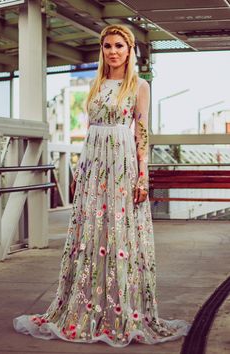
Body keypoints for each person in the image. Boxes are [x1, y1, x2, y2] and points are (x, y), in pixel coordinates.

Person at [13, 24, 191, 347]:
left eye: (119, 46)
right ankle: (87, 306)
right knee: (93, 234)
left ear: (130, 50)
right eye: (107, 46)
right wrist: (82, 168)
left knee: (121, 232)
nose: (112, 52)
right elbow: (91, 131)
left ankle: (123, 310)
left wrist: (142, 176)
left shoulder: (139, 86)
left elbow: (141, 135)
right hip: (95, 168)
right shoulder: (95, 85)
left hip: (122, 165)